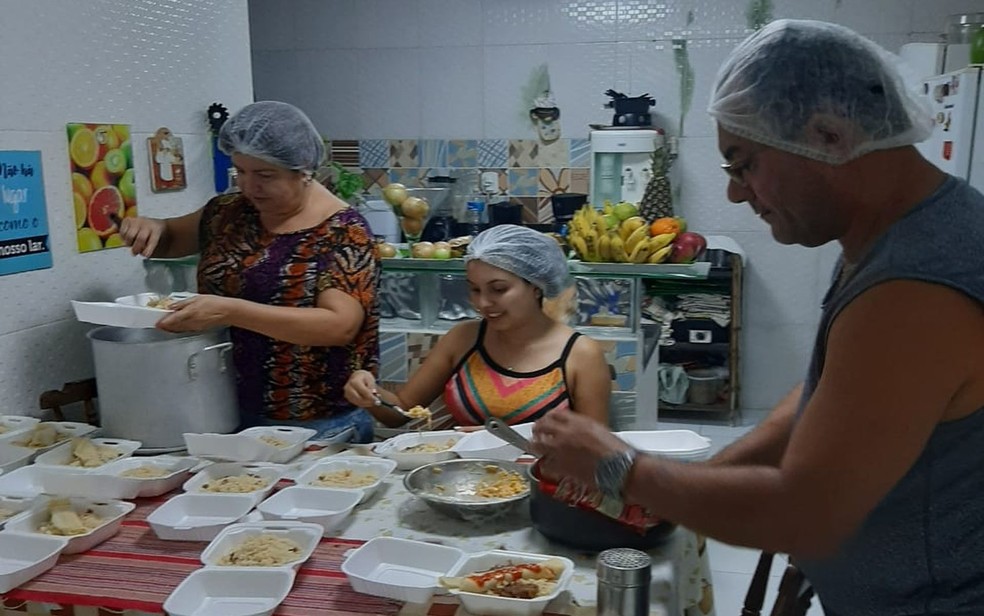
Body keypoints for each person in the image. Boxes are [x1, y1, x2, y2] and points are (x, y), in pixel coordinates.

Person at [532, 19, 984, 616]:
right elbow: (826, 397)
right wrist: (701, 482)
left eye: (742, 164)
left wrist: (621, 468)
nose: (737, 195)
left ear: (827, 136)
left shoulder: (916, 283)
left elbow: (806, 514)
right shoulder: (891, 235)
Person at [120, 101, 381, 443]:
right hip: (222, 408)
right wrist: (149, 227)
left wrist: (230, 311)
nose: (248, 186)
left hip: (314, 423)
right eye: (240, 171)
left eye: (265, 175)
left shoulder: (343, 232)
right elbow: (169, 240)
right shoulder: (228, 212)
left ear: (303, 171)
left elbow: (339, 325)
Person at [344, 224, 611, 428]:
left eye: (499, 289)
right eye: (474, 289)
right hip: (462, 486)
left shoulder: (580, 355)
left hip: (540, 489)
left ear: (535, 286)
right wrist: (370, 393)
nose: (483, 303)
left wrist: (507, 440)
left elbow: (597, 451)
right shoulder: (464, 339)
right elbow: (401, 411)